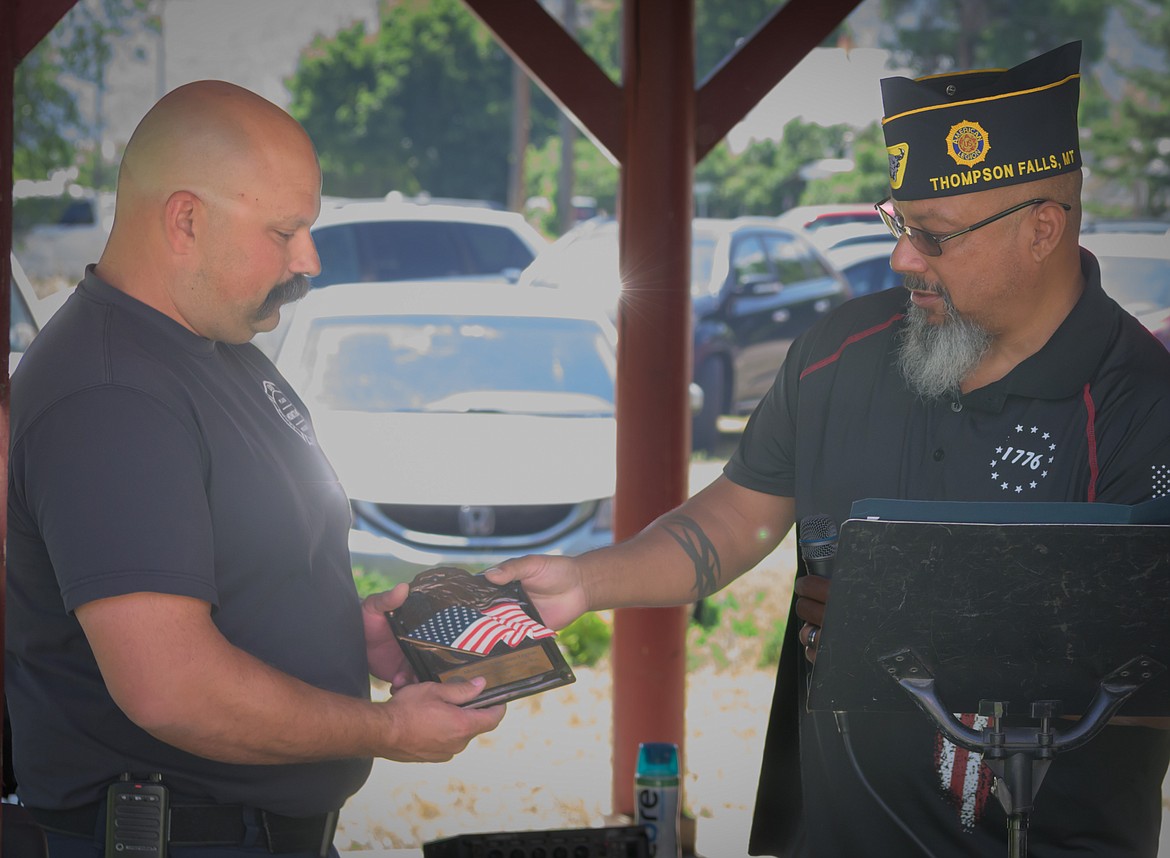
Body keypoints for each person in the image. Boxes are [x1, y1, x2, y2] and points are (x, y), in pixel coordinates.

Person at [487, 41, 1170, 857]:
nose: (901, 257)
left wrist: (914, 623)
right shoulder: (840, 351)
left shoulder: (1143, 403)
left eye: (935, 235)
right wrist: (581, 581)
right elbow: (741, 515)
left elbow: (1150, 670)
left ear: (1042, 230)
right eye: (898, 223)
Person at [5, 80, 505, 858]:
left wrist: (354, 633)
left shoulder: (210, 345)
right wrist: (386, 730)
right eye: (285, 230)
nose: (308, 257)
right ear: (186, 219)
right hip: (180, 836)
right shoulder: (109, 392)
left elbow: (244, 563)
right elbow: (173, 688)